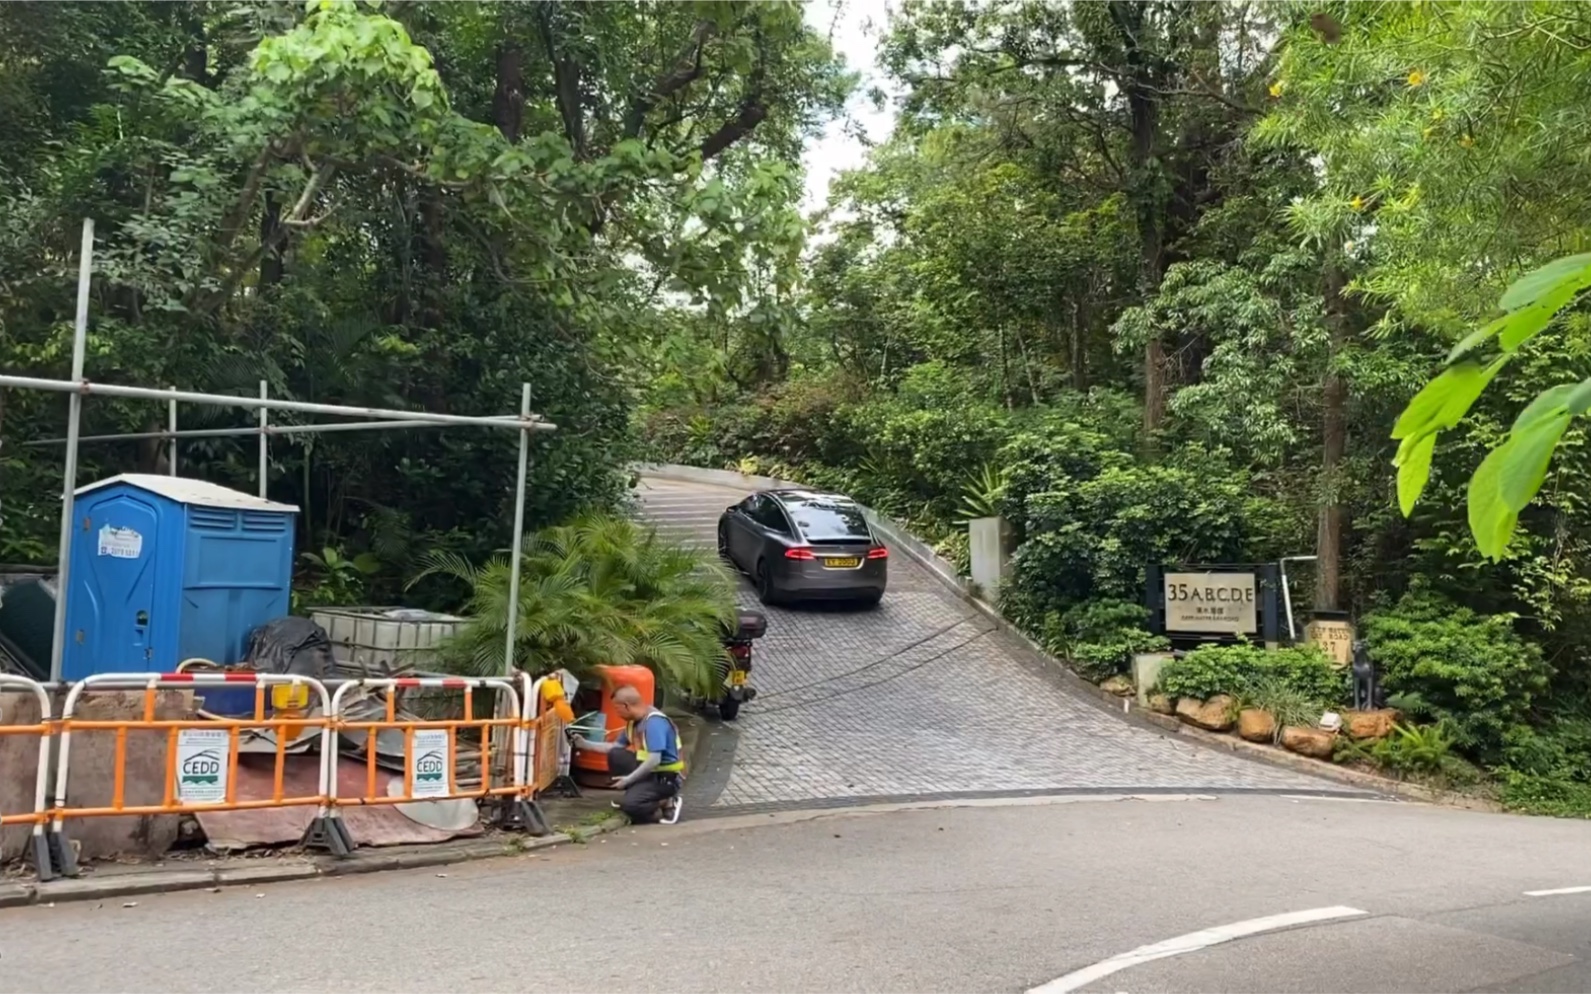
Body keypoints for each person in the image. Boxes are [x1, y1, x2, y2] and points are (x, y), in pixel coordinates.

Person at [570, 686, 683, 824]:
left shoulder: (654, 723)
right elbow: (615, 747)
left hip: (665, 778)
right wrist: (584, 744)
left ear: (626, 706)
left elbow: (654, 760)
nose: (617, 713)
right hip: (649, 772)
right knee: (615, 754)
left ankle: (666, 802)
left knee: (631, 807)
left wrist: (628, 779)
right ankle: (637, 793)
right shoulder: (633, 722)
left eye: (617, 709)